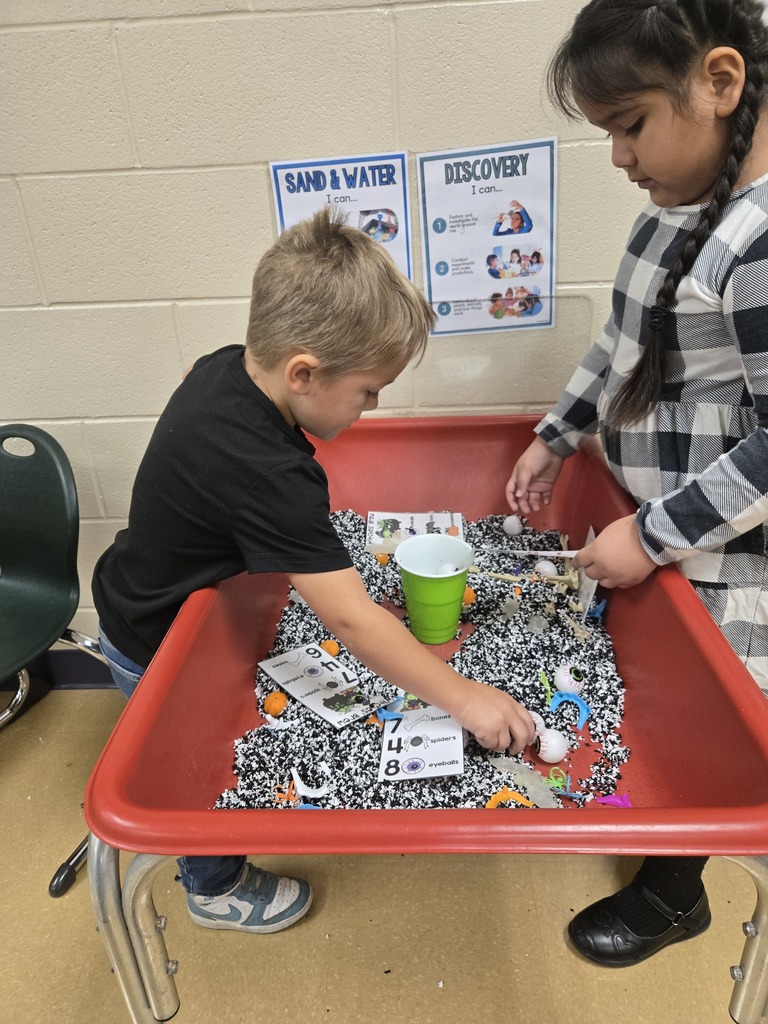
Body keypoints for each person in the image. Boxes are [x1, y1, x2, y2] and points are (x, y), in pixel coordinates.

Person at [93, 207, 535, 938]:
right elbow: (351, 618)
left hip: (132, 587)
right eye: (368, 391)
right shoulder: (271, 473)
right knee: (190, 770)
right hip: (154, 640)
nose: (373, 405)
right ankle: (214, 887)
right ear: (304, 372)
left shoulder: (223, 367)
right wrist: (463, 698)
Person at [506, 0, 768, 970]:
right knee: (638, 684)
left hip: (724, 551)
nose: (619, 156)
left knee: (707, 718)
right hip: (646, 520)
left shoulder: (759, 240)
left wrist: (650, 537)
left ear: (722, 83)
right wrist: (555, 436)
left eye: (630, 124)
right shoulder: (676, 216)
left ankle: (674, 891)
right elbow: (621, 345)